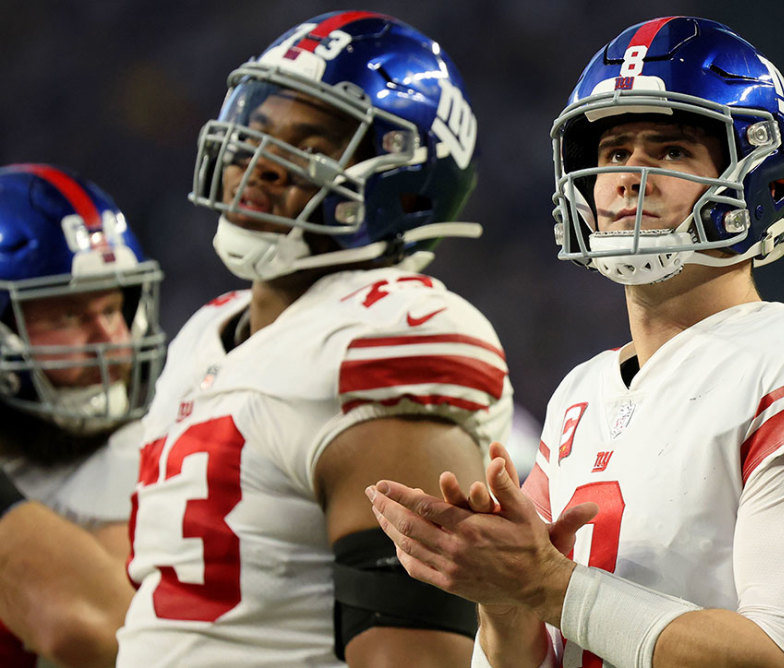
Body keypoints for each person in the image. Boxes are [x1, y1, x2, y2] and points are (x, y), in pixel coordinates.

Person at [368, 16, 784, 668]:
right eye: (613, 153)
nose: (631, 173)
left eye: (670, 151)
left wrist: (545, 583)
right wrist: (502, 594)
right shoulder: (581, 393)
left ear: (762, 180)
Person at [116, 11, 512, 668]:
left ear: (406, 187)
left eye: (315, 144)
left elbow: (412, 658)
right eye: (259, 131)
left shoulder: (386, 337)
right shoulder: (204, 331)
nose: (260, 163)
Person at [0, 163, 165, 667]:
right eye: (69, 316)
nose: (110, 343)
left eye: (113, 310)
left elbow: (93, 632)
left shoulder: (145, 461)